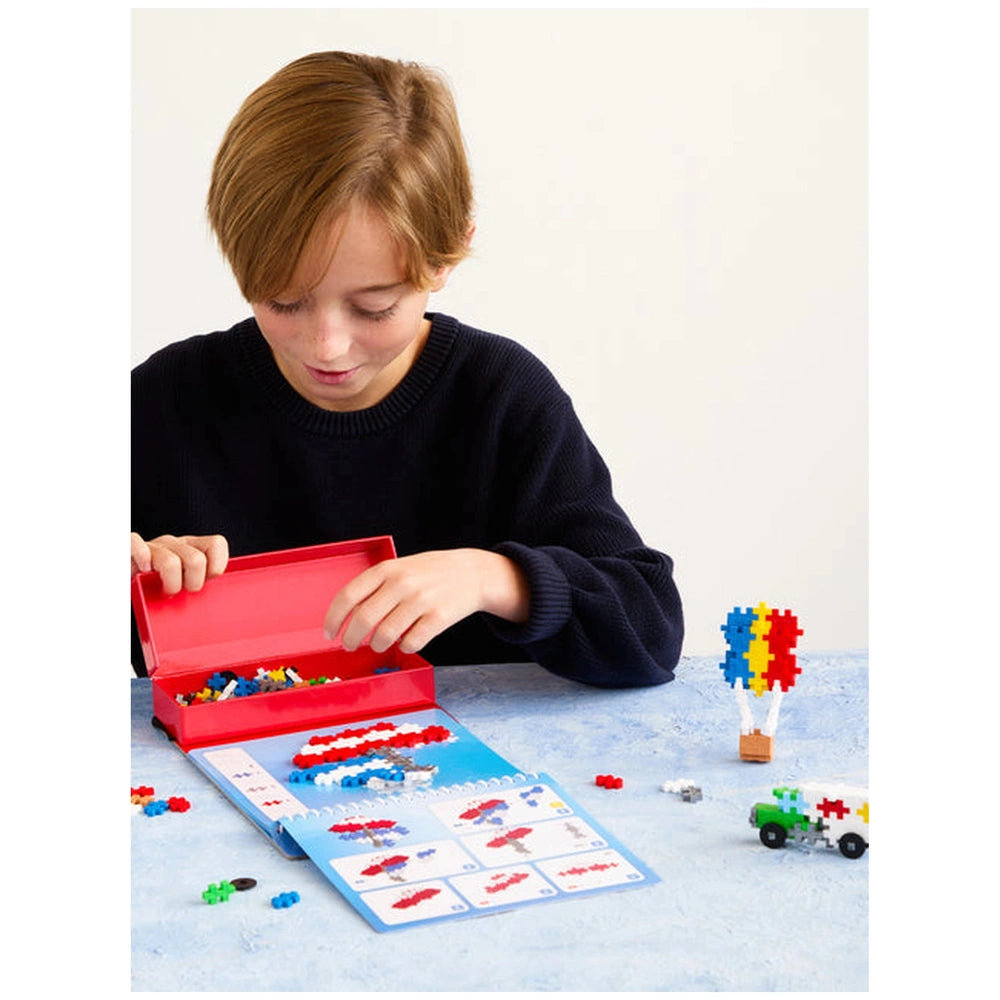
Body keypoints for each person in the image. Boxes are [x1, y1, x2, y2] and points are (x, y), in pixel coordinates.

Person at [131, 51, 683, 688]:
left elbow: (652, 630)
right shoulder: (164, 403)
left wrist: (497, 579)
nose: (327, 346)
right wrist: (136, 582)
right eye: (284, 302)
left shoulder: (502, 398)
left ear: (445, 258)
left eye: (374, 307)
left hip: (459, 769)